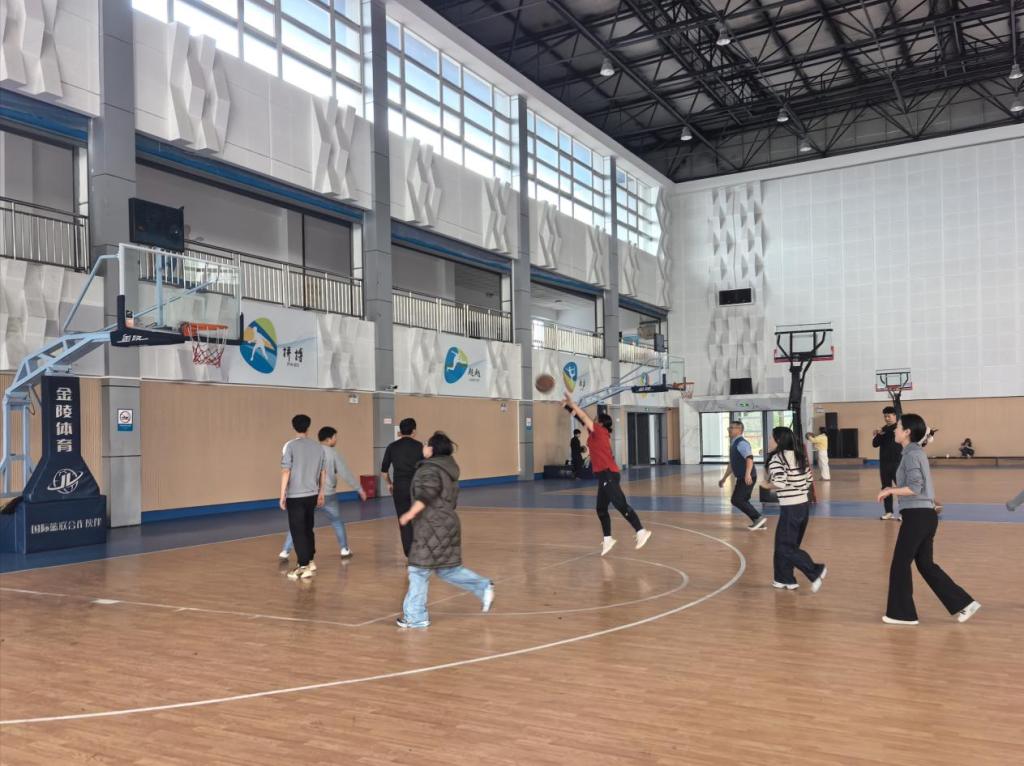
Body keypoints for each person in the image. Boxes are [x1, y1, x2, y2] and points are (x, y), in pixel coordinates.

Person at [877, 413, 981, 625]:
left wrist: (889, 490)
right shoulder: (914, 451)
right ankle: (965, 603)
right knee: (925, 565)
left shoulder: (912, 455)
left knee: (900, 565)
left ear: (907, 432)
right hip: (925, 517)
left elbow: (915, 487)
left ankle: (902, 615)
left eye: (898, 427)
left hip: (917, 517)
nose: (895, 430)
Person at [397, 432, 494, 629]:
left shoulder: (429, 469)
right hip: (447, 523)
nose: (423, 447)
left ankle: (416, 616)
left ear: (432, 449)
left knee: (418, 570)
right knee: (447, 569)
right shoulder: (448, 468)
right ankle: (483, 586)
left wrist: (409, 514)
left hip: (431, 525)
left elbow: (426, 494)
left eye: (426, 444)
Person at [563, 393, 652, 556]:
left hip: (608, 474)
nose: (593, 419)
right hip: (604, 476)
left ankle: (641, 531)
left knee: (620, 505)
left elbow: (584, 417)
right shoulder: (596, 433)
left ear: (601, 423)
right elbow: (581, 419)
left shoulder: (599, 431)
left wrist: (572, 403)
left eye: (596, 419)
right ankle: (608, 539)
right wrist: (568, 408)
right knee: (601, 509)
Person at [279, 426, 367, 562]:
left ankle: (285, 550)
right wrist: (359, 489)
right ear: (329, 439)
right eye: (335, 437)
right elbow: (345, 473)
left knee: (299, 523)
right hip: (328, 494)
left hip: (310, 494)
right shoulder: (332, 453)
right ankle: (344, 549)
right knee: (337, 521)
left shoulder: (311, 450)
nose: (336, 440)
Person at [764, 427, 826, 592]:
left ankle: (815, 570)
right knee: (784, 545)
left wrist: (766, 485)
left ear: (778, 441)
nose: (769, 440)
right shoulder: (799, 456)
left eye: (771, 438)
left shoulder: (777, 458)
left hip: (790, 508)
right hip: (803, 507)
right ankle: (783, 579)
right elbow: (808, 481)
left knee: (785, 547)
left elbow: (780, 482)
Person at [280, 414, 326, 580]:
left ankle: (303, 566)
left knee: (298, 530)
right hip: (312, 494)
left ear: (294, 427)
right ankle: (310, 560)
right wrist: (321, 492)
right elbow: (323, 471)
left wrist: (282, 495)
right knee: (308, 528)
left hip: (295, 496)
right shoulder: (318, 447)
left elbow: (286, 471)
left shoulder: (290, 446)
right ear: (308, 427)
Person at [381, 418, 423, 558]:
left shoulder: (392, 447)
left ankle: (409, 553)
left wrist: (390, 483)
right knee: (418, 519)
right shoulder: (419, 446)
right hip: (416, 488)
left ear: (400, 431)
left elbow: (384, 472)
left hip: (399, 488)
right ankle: (420, 550)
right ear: (414, 431)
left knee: (404, 520)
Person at [718, 421, 768, 530]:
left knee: (738, 500)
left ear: (739, 430)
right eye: (729, 427)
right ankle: (759, 522)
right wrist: (724, 478)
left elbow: (749, 458)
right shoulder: (733, 444)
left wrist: (748, 474)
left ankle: (758, 518)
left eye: (732, 428)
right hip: (743, 477)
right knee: (740, 499)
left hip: (747, 477)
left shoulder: (741, 443)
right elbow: (732, 464)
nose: (729, 429)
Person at [873, 406, 902, 520]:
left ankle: (904, 512)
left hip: (898, 463)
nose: (887, 418)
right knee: (885, 487)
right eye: (885, 416)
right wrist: (879, 434)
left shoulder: (900, 428)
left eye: (889, 416)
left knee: (901, 488)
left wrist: (884, 431)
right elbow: (875, 444)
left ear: (895, 416)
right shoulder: (883, 429)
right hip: (884, 464)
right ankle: (888, 511)